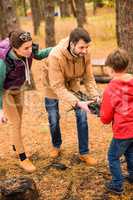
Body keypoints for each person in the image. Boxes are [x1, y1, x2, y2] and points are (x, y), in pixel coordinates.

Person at [43, 27, 100, 165]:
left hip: (72, 82)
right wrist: (77, 102)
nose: (85, 51)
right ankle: (56, 145)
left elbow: (88, 78)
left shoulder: (85, 53)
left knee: (82, 115)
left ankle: (84, 152)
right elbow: (58, 86)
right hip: (53, 85)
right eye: (81, 47)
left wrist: (95, 95)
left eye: (87, 47)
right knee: (54, 117)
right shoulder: (55, 56)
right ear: (72, 44)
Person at [0, 30, 52, 172]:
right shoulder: (3, 62)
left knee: (18, 121)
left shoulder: (29, 51)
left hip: (18, 88)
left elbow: (39, 55)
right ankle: (23, 158)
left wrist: (58, 48)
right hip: (5, 92)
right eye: (26, 48)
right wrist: (0, 110)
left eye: (30, 46)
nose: (30, 51)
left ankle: (15, 145)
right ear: (15, 49)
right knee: (15, 122)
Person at [100, 49, 133, 194]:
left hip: (123, 131)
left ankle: (117, 184)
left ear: (111, 69)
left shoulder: (111, 89)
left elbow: (106, 118)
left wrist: (101, 113)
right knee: (131, 153)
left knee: (113, 156)